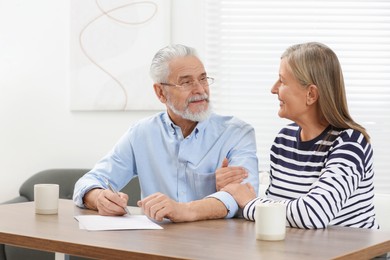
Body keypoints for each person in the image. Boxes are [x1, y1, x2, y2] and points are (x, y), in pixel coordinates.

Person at [73, 44, 259, 222]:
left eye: (203, 79)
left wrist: (183, 210)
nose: (200, 90)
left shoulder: (237, 133)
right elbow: (89, 181)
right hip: (155, 245)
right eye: (186, 82)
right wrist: (99, 198)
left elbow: (246, 198)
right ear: (160, 92)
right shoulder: (142, 133)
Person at [222, 42, 378, 229]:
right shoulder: (284, 140)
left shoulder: (351, 143)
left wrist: (248, 203)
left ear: (311, 94)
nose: (273, 89)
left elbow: (313, 214)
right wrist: (233, 191)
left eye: (282, 81)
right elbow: (277, 213)